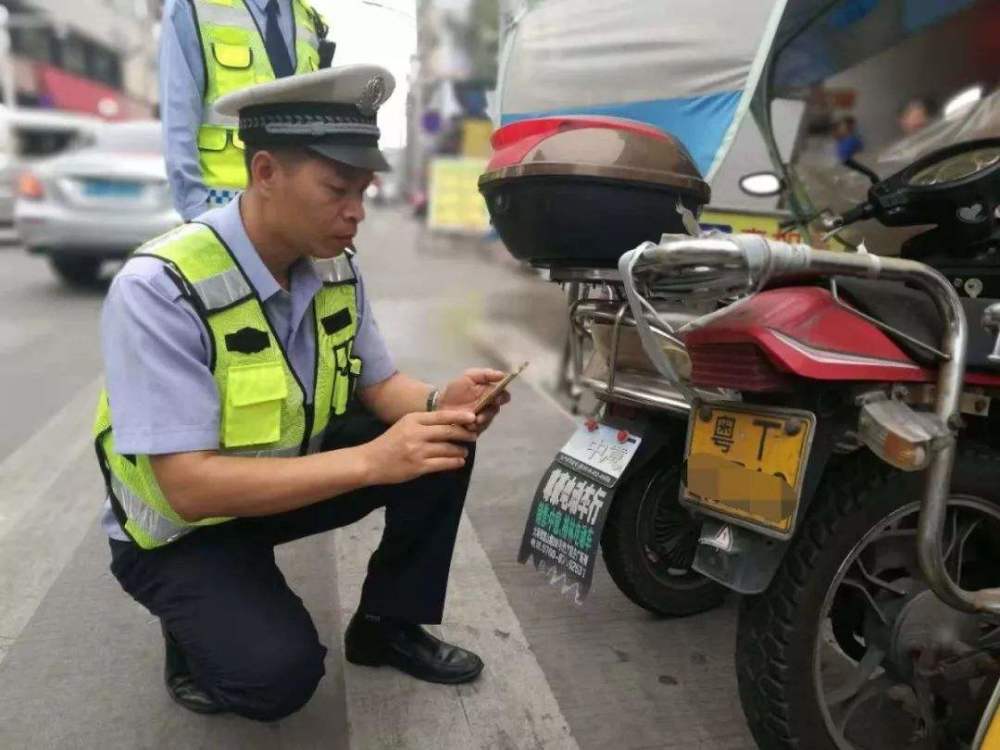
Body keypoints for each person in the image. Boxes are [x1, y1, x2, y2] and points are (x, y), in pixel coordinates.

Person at [94, 64, 512, 721]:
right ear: (265, 173)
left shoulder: (332, 264)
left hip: (279, 480)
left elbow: (380, 387)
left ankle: (386, 623)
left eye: (365, 189)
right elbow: (188, 488)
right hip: (184, 530)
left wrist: (440, 403)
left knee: (441, 444)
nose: (357, 211)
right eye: (337, 188)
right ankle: (191, 622)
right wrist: (375, 462)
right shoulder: (161, 288)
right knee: (275, 680)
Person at [159, 0, 335, 221]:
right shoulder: (192, 6)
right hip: (223, 215)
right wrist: (198, 220)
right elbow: (178, 126)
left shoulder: (309, 20)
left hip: (294, 222)